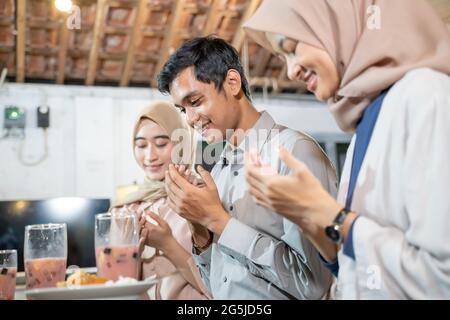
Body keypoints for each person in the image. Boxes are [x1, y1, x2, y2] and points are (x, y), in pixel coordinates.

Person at [243, 0, 450, 299]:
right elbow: (359, 270)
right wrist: (304, 214)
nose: (290, 71)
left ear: (338, 22)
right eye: (281, 56)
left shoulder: (425, 96)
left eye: (291, 47)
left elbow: (440, 279)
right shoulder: (362, 128)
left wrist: (328, 214)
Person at [157, 36, 336, 299]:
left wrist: (217, 220)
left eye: (195, 102)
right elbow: (215, 286)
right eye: (183, 110)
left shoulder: (294, 153)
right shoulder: (217, 171)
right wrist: (199, 229)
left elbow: (315, 284)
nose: (191, 119)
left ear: (232, 83)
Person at [110, 101, 208, 300]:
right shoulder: (127, 207)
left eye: (162, 144)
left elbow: (218, 288)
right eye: (141, 145)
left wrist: (168, 244)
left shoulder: (202, 196)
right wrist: (129, 252)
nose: (150, 156)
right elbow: (116, 287)